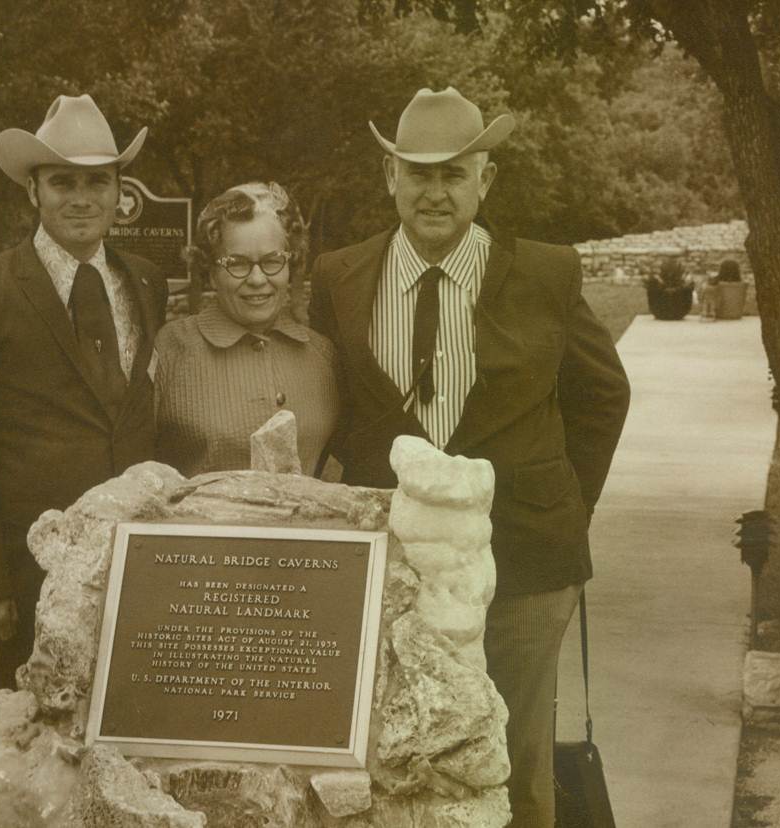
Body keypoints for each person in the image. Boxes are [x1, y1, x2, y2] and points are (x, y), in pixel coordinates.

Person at [309, 87, 630, 827]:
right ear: (390, 177)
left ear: (486, 182)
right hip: (390, 570)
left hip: (523, 561)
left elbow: (602, 398)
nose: (435, 190)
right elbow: (339, 409)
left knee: (512, 764)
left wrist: (565, 504)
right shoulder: (339, 276)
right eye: (417, 172)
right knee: (393, 761)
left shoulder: (547, 273)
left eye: (455, 173)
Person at [0, 94, 167, 689]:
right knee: (18, 758)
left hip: (132, 574)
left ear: (118, 191)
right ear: (33, 190)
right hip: (24, 581)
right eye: (62, 182)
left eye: (96, 182)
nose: (81, 198)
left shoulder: (145, 282)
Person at [154, 182, 338, 476]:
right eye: (236, 264)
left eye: (272, 261)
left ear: (292, 265)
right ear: (211, 271)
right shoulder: (170, 349)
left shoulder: (322, 355)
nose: (257, 279)